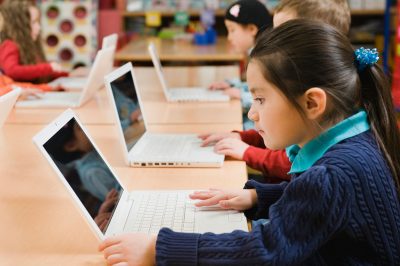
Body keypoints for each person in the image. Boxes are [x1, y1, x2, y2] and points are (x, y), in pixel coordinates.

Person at [98, 20, 400, 265]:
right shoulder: (358, 141)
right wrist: (259, 198)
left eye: (260, 99)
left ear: (312, 103)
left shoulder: (331, 176)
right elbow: (317, 204)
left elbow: (264, 252)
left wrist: (158, 248)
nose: (251, 112)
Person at [201, 0, 352, 183]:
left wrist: (246, 151)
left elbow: (292, 163)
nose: (274, 39)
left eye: (285, 32)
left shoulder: (322, 97)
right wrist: (243, 137)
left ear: (318, 36)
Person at [208, 0, 273, 130]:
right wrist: (233, 84)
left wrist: (241, 95)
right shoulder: (257, 54)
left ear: (251, 29)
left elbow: (270, 98)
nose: (229, 38)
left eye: (232, 30)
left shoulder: (265, 59)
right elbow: (257, 87)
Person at [0, 0, 68, 83]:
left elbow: (36, 74)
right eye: (34, 22)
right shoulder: (9, 45)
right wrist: (48, 68)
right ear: (20, 26)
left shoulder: (26, 46)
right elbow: (12, 70)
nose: (39, 28)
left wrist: (67, 74)